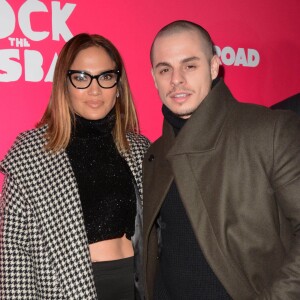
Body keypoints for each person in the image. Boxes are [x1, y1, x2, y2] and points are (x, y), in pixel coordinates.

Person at [143, 20, 300, 300]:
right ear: (153, 77)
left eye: (190, 66)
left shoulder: (270, 131)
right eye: (164, 69)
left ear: (214, 67)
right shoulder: (155, 153)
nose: (176, 79)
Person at [0, 33, 150, 300]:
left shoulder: (139, 148)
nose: (95, 90)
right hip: (69, 290)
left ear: (118, 85)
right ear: (64, 84)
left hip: (140, 285)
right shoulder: (32, 152)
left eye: (105, 77)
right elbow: (14, 252)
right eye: (81, 78)